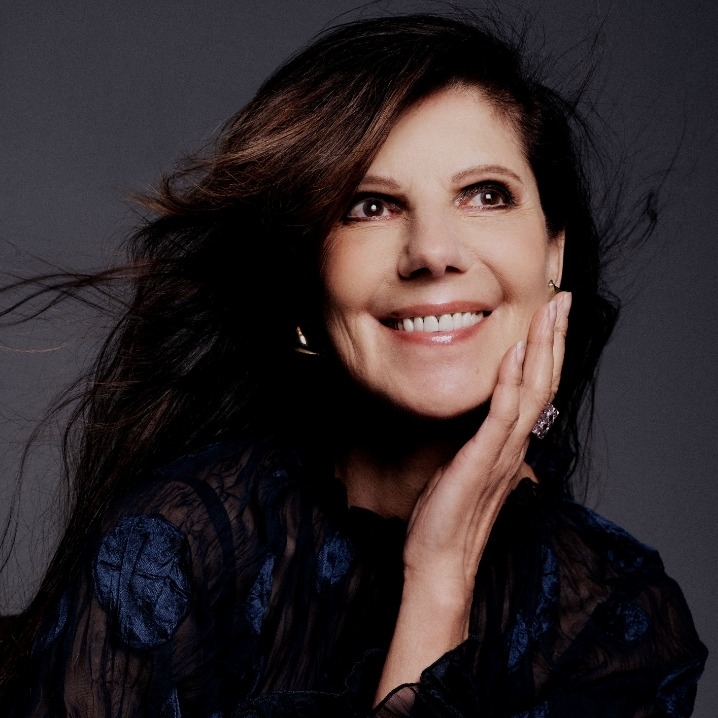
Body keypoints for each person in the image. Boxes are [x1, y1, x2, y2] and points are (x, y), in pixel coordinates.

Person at [0, 12, 707, 717]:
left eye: (485, 195)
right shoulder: (177, 548)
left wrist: (444, 568)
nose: (433, 251)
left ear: (554, 252)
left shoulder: (616, 621)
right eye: (371, 206)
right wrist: (437, 579)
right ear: (308, 276)